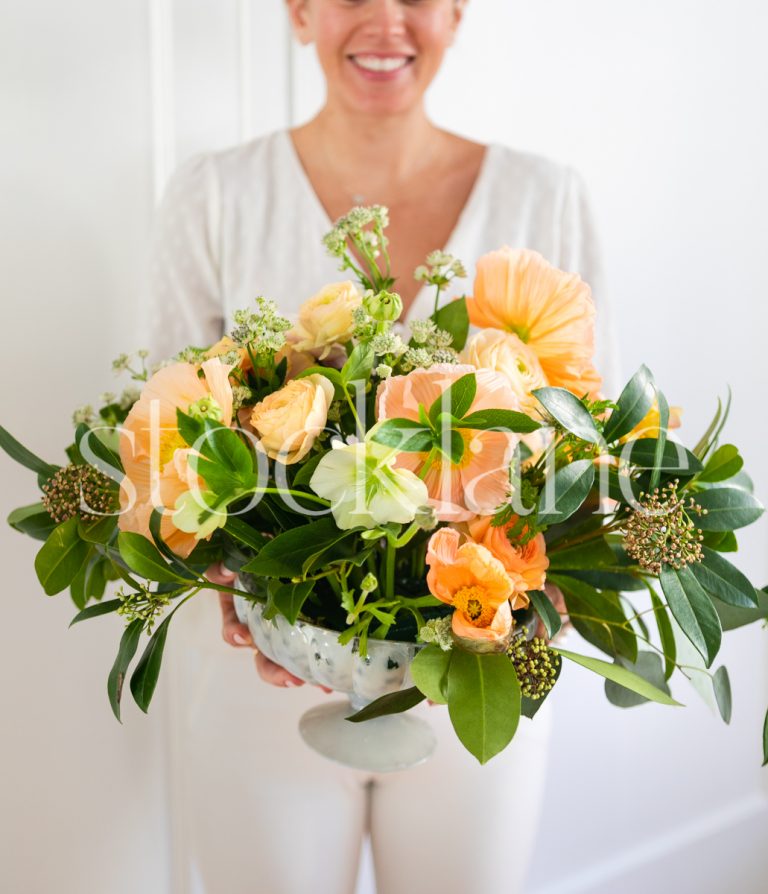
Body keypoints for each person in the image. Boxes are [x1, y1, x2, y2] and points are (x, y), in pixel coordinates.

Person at [143, 2, 618, 892]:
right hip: (265, 686)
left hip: (477, 680)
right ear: (299, 11)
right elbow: (162, 439)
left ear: (457, 12)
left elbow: (593, 449)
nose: (385, 19)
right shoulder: (214, 195)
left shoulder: (544, 198)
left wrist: (550, 590)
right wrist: (215, 572)